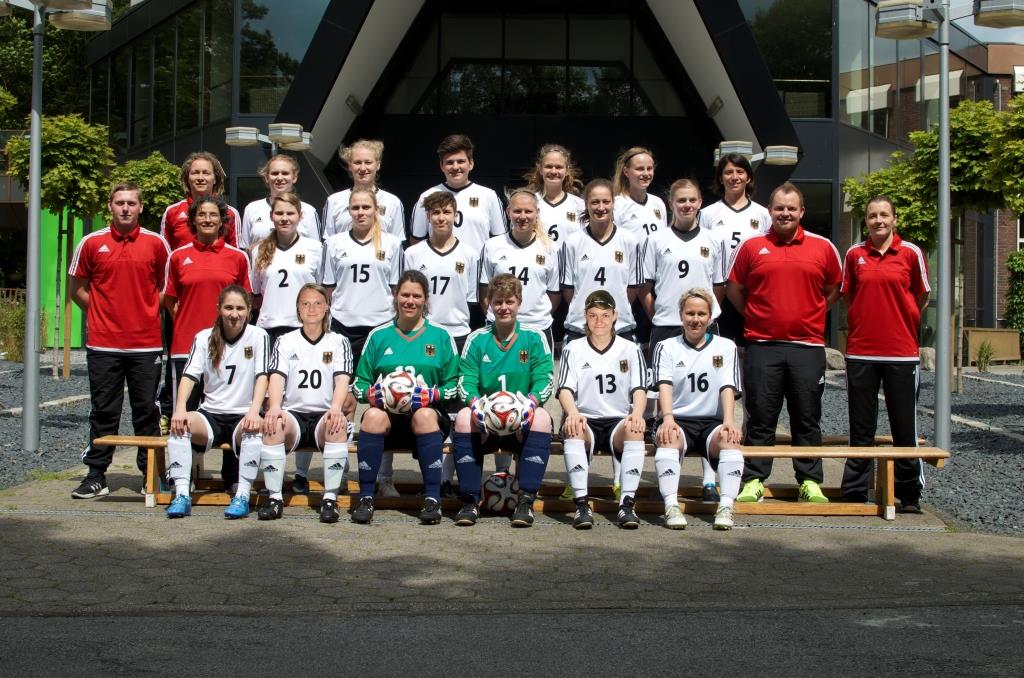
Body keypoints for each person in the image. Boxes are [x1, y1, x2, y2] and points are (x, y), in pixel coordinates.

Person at [727, 182, 842, 504]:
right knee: (761, 416)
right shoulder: (752, 247)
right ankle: (754, 481)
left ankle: (809, 481)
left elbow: (835, 289)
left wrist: (812, 312)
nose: (785, 213)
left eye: (791, 208)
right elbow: (735, 289)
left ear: (802, 211)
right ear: (770, 211)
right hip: (763, 345)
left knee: (806, 417)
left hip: (807, 347)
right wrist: (754, 314)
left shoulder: (823, 247)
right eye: (779, 208)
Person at [69, 183, 170, 499]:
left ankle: (149, 475)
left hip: (146, 344)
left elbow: (167, 287)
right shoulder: (91, 243)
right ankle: (96, 475)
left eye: (131, 203)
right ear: (109, 207)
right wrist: (102, 313)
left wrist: (148, 310)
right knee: (104, 411)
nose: (125, 208)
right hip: (104, 344)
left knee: (146, 411)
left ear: (141, 207)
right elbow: (77, 290)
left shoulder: (157, 244)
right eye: (119, 203)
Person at [840, 195, 930, 512]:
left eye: (884, 215)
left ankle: (909, 495)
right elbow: (849, 297)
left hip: (902, 354)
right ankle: (854, 491)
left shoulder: (911, 253)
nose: (878, 221)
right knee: (861, 427)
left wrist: (899, 321)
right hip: (861, 352)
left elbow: (921, 297)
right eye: (872, 216)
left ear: (894, 219)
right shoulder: (854, 255)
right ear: (866, 221)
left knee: (904, 427)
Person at [350, 270, 460, 525]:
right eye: (405, 295)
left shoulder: (441, 336)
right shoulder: (378, 336)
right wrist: (371, 394)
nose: (410, 301)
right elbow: (359, 384)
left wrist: (432, 394)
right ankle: (367, 496)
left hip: (428, 419)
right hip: (391, 419)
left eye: (416, 296)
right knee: (373, 417)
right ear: (395, 297)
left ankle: (432, 498)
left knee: (423, 415)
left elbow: (455, 386)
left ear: (425, 300)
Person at [641, 178, 726, 502]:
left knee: (708, 400)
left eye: (692, 200)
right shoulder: (656, 239)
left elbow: (717, 286)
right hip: (665, 325)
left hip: (705, 326)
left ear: (700, 202)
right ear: (671, 203)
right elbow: (646, 287)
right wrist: (660, 317)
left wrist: (708, 315)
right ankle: (667, 480)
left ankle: (709, 481)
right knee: (662, 396)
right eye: (681, 201)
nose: (687, 205)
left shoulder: (713, 240)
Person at [451, 274, 555, 528]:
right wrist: (475, 405)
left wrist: (530, 403)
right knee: (463, 418)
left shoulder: (534, 337)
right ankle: (470, 500)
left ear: (519, 302)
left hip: (521, 420)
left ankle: (526, 501)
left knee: (542, 418)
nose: (504, 308)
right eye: (498, 302)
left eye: (509, 301)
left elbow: (545, 379)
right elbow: (465, 380)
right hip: (486, 421)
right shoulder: (477, 339)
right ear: (488, 304)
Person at [163, 196, 252, 491]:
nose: (208, 220)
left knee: (230, 410)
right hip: (184, 347)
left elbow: (246, 300)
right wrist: (190, 322)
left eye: (214, 215)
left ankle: (232, 477)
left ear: (222, 221)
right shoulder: (178, 257)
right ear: (194, 220)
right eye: (202, 215)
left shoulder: (237, 257)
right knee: (184, 414)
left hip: (229, 348)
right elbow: (171, 301)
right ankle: (182, 478)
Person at [322, 188, 403, 496]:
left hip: (381, 329)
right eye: (354, 207)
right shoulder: (335, 244)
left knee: (384, 401)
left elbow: (396, 288)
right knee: (344, 402)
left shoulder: (393, 244)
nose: (360, 212)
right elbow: (329, 288)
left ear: (376, 210)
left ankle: (384, 476)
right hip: (345, 327)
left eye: (365, 207)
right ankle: (339, 471)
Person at [165, 286, 270, 520]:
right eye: (229, 307)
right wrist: (180, 409)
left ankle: (242, 495)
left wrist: (255, 410)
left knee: (254, 429)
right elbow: (190, 376)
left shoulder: (259, 336)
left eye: (240, 308)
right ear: (219, 309)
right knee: (180, 425)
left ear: (249, 310)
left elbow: (262, 376)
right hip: (211, 415)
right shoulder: (203, 337)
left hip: (242, 416)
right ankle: (181, 494)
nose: (234, 313)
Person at [158, 151, 240, 431]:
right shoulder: (172, 213)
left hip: (219, 320)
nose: (201, 177)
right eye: (195, 172)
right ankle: (182, 468)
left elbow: (234, 267)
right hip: (186, 311)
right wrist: (184, 315)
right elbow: (167, 263)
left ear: (216, 177)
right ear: (187, 178)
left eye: (206, 172)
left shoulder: (229, 214)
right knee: (182, 391)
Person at [259, 284, 354, 523]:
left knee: (337, 424)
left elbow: (342, 380)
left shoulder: (339, 342)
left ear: (327, 308)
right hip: (294, 416)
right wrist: (275, 407)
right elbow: (277, 377)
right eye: (305, 303)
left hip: (323, 415)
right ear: (298, 309)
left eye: (318, 303)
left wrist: (335, 408)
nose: (312, 308)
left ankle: (330, 498)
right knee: (273, 424)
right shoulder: (284, 341)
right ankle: (275, 498)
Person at [651, 288, 744, 530]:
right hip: (679, 419)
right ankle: (671, 506)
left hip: (710, 422)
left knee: (730, 439)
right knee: (668, 435)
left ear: (710, 317)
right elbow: (665, 386)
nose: (696, 319)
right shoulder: (666, 347)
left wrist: (729, 421)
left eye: (701, 314)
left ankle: (726, 507)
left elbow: (727, 386)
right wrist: (668, 418)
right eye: (690, 313)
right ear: (681, 315)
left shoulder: (726, 347)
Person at [558, 290, 649, 530]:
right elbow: (565, 389)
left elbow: (639, 389)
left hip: (617, 420)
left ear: (615, 316)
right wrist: (573, 412)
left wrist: (638, 414)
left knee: (634, 429)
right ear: (585, 317)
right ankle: (581, 505)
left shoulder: (630, 349)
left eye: (605, 315)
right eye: (593, 315)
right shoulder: (573, 348)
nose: (599, 321)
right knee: (574, 428)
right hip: (586, 419)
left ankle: (627, 504)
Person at [560, 178, 645, 343]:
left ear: (613, 203)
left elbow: (633, 288)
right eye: (595, 202)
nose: (601, 207)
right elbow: (568, 290)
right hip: (581, 328)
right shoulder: (572, 242)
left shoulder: (629, 240)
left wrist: (612, 312)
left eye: (606, 201)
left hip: (620, 328)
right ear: (586, 204)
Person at [698, 153, 771, 344]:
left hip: (750, 291)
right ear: (721, 178)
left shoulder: (763, 214)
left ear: (749, 177)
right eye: (728, 172)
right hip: (718, 290)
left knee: (749, 347)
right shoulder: (707, 214)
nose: (734, 177)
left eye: (740, 171)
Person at [480, 189, 560, 345]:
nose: (522, 217)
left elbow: (554, 293)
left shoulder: (550, 248)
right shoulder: (492, 246)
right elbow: (484, 291)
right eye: (517, 211)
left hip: (538, 327)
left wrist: (535, 315)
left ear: (537, 212)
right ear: (508, 211)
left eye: (528, 211)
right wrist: (499, 317)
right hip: (500, 327)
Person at [403, 190, 480, 351]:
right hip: (422, 331)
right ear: (428, 217)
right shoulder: (412, 254)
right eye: (435, 212)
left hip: (458, 333)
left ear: (455, 216)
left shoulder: (470, 255)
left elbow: (471, 299)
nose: (441, 218)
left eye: (446, 212)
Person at [408, 134, 506, 255]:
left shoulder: (488, 196)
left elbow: (500, 241)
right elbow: (416, 240)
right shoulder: (427, 196)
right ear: (441, 166)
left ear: (471, 164)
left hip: (476, 271)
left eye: (461, 161)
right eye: (449, 162)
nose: (455, 167)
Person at [251, 192, 325, 347]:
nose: (284, 218)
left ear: (300, 216)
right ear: (271, 216)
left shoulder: (315, 248)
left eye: (290, 213)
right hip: (269, 327)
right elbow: (256, 294)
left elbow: (321, 290)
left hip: (304, 326)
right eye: (279, 213)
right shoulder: (258, 250)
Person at [322, 139, 406, 241]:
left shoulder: (393, 202)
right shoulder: (334, 201)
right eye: (357, 162)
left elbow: (398, 243)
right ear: (349, 166)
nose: (362, 168)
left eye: (368, 162)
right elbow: (327, 242)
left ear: (378, 165)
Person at [238, 154, 320, 251]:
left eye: (285, 173)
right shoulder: (252, 209)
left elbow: (316, 251)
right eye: (275, 173)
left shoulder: (309, 211)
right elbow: (245, 249)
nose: (280, 178)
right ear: (267, 178)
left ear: (294, 178)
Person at [525, 143, 584, 248]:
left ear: (566, 170)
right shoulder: (528, 203)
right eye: (548, 166)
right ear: (540, 169)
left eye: (559, 167)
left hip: (569, 263)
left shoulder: (579, 205)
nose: (553, 171)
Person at [612, 146, 668, 240]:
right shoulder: (617, 205)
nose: (646, 174)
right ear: (626, 172)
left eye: (649, 168)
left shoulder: (658, 203)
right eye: (640, 169)